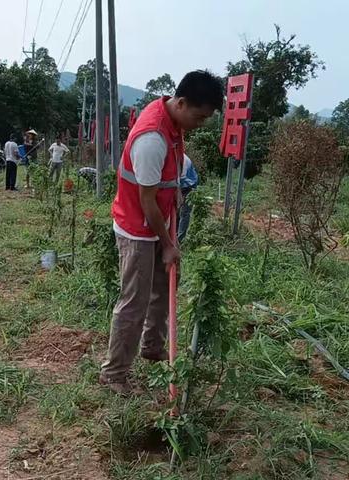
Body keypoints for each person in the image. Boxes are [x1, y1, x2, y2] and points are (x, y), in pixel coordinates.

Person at [99, 70, 224, 395]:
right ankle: (114, 374)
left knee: (163, 288)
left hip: (159, 223)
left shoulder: (174, 124)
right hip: (138, 229)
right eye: (199, 116)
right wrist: (169, 244)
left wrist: (172, 230)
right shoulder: (152, 139)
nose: (200, 124)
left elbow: (169, 185)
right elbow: (147, 200)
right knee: (134, 301)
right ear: (181, 102)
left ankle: (153, 349)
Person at [177, 154, 199, 244]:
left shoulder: (183, 160)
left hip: (188, 186)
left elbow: (180, 180)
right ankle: (174, 235)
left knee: (184, 213)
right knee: (175, 211)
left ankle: (179, 240)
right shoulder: (173, 157)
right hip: (181, 185)